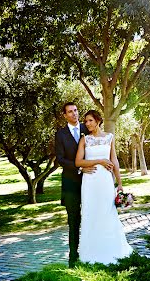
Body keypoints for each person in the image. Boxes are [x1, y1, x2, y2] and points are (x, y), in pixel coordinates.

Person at [75, 110, 133, 264]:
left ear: (98, 121)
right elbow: (78, 162)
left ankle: (113, 251)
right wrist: (100, 161)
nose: (87, 124)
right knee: (91, 214)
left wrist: (119, 183)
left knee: (108, 213)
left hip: (106, 182)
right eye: (86, 121)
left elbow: (114, 160)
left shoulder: (109, 137)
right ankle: (90, 255)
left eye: (90, 121)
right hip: (90, 183)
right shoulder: (84, 140)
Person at [54, 102, 94, 266]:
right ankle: (73, 257)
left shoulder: (88, 128)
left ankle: (92, 252)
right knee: (73, 221)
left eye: (76, 110)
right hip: (71, 184)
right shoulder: (61, 134)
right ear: (65, 115)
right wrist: (80, 168)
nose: (74, 114)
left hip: (91, 182)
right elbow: (60, 159)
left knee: (92, 217)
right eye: (70, 112)